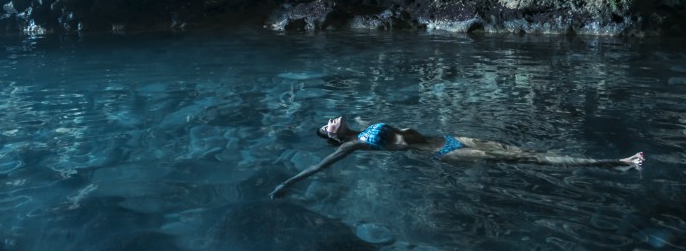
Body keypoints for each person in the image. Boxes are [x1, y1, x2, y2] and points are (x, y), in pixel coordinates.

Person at [269, 116, 644, 198]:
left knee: (525, 151)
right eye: (328, 126)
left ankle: (613, 162)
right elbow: (319, 166)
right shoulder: (353, 145)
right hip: (446, 152)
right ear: (333, 138)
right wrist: (288, 182)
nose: (333, 120)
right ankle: (617, 163)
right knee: (527, 161)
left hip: (449, 136)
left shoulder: (363, 123)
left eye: (331, 120)